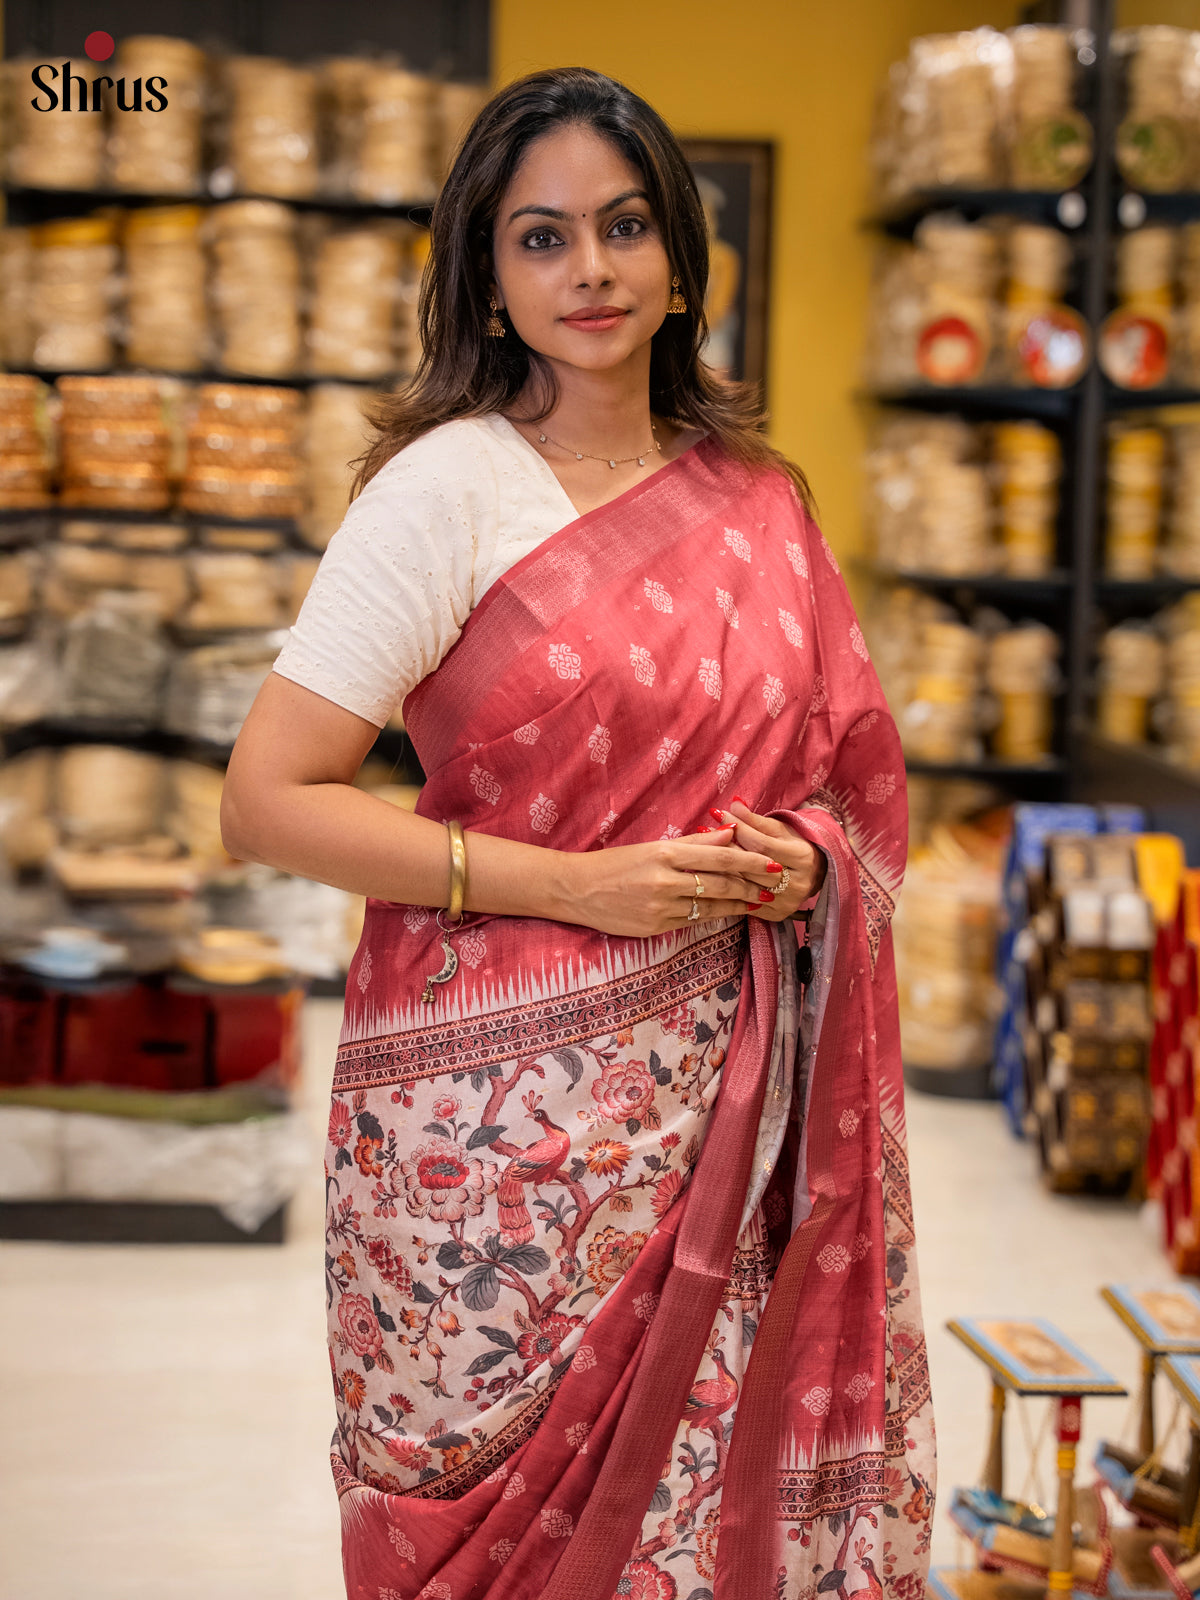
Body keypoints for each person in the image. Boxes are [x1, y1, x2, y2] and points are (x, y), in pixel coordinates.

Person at [222, 65, 934, 1600]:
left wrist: (804, 859)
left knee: (683, 1539)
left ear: (683, 258)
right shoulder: (443, 493)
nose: (592, 271)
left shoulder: (761, 499)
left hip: (719, 1126)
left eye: (623, 227)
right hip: (480, 1145)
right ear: (486, 273)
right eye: (541, 238)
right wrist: (578, 886)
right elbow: (268, 795)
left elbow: (857, 786)